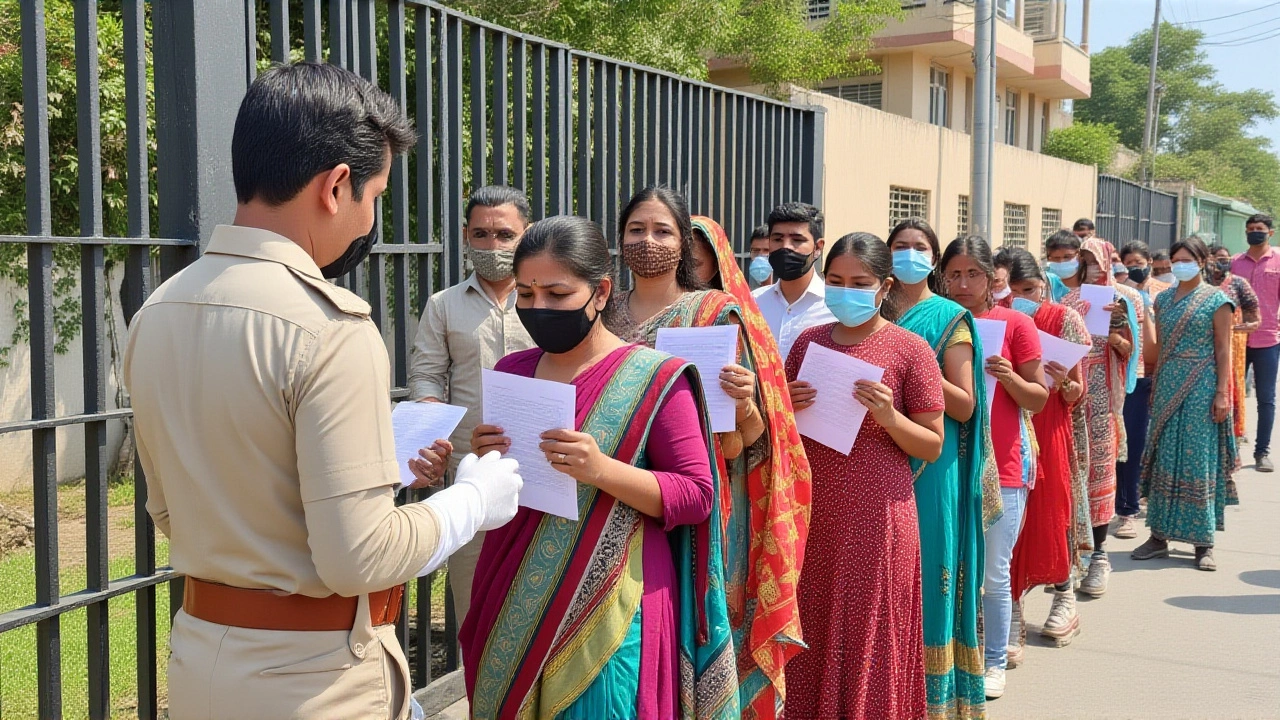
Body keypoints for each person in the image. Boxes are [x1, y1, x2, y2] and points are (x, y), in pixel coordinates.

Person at [121, 63, 523, 720]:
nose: (370, 220)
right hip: (316, 681)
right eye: (376, 197)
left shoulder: (157, 311)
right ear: (337, 186)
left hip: (201, 660)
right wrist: (472, 502)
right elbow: (359, 557)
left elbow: (172, 511)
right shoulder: (329, 327)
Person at [461, 215, 739, 718]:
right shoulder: (512, 372)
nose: (538, 308)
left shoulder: (655, 378)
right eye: (525, 294)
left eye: (556, 294)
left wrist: (600, 469)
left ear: (600, 291)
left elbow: (696, 495)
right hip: (514, 595)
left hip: (609, 605)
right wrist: (485, 456)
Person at [615, 195, 810, 716]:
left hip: (696, 504)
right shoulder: (599, 311)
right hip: (610, 495)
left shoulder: (714, 316)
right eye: (636, 229)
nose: (648, 242)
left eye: (662, 231)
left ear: (682, 242)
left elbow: (740, 442)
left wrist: (743, 403)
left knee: (683, 624)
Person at [785, 232, 945, 720]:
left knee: (868, 630)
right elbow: (783, 431)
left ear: (884, 286)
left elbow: (933, 445)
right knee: (811, 623)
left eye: (859, 282)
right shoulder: (808, 342)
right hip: (815, 512)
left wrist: (892, 418)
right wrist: (785, 408)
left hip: (877, 517)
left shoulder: (909, 350)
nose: (844, 291)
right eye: (835, 280)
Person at [408, 185, 537, 621]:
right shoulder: (443, 306)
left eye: (504, 235)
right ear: (466, 236)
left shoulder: (548, 299)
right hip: (471, 477)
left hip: (544, 474)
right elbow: (426, 373)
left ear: (527, 234)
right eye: (481, 234)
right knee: (475, 612)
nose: (492, 245)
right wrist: (429, 423)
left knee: (540, 609)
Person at [880, 219, 991, 719]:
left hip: (932, 458)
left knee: (927, 574)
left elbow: (965, 406)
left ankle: (932, 704)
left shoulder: (950, 319)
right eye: (899, 247)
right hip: (870, 457)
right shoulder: (869, 309)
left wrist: (914, 361)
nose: (908, 255)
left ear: (934, 259)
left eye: (919, 247)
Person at [940, 236, 1048, 701]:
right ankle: (944, 656)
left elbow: (1039, 397)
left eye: (974, 274)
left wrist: (1010, 378)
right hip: (942, 461)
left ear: (991, 278)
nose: (963, 284)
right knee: (945, 567)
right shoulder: (934, 319)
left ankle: (995, 659)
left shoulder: (1014, 323)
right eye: (954, 274)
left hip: (1001, 463)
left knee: (992, 574)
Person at [996, 247, 1089, 654]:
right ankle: (1010, 607)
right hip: (1006, 423)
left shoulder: (1064, 319)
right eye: (1012, 290)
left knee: (1051, 512)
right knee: (1008, 518)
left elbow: (1077, 390)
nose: (1021, 298)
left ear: (1044, 285)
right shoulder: (993, 317)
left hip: (1049, 424)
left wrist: (1063, 384)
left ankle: (1064, 592)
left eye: (1030, 288)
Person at [1132, 236, 1239, 571]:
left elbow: (1224, 349)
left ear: (1203, 261)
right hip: (1167, 383)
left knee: (1197, 459)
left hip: (1202, 384)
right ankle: (1158, 536)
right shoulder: (1162, 299)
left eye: (1186, 259)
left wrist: (1222, 392)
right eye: (1175, 259)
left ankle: (1203, 542)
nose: (1180, 265)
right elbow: (1158, 348)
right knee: (1165, 456)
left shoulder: (1217, 300)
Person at [1056, 235, 1143, 599]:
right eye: (1085, 259)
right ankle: (1072, 557)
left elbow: (1135, 352)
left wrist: (1115, 336)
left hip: (1105, 402)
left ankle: (1100, 558)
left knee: (1100, 475)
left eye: (1096, 259)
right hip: (1072, 400)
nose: (1091, 265)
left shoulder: (1125, 299)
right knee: (1072, 473)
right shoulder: (1067, 300)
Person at [1113, 241, 1169, 540]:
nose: (1135, 266)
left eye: (1139, 261)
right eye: (1128, 262)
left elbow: (1151, 346)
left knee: (1135, 446)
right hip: (1111, 379)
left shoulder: (1151, 293)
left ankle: (1130, 506)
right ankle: (1119, 502)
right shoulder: (1106, 295)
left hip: (1143, 376)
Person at [753, 202, 837, 359]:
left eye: (797, 240)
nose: (786, 247)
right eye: (778, 239)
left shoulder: (835, 307)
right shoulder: (753, 303)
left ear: (818, 247)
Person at [1230, 213, 1280, 472]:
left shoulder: (1278, 260)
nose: (1254, 232)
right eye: (1250, 229)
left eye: (1259, 228)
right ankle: (1232, 451)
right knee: (1232, 395)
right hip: (1236, 340)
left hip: (1268, 339)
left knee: (1266, 398)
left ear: (1270, 232)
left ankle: (1262, 452)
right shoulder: (1235, 263)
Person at [1206, 243, 1261, 445]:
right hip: (1202, 344)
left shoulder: (1238, 284)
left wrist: (1242, 326)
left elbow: (1254, 314)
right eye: (1216, 257)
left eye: (1224, 257)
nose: (1221, 261)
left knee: (1232, 386)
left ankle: (1234, 433)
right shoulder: (1199, 283)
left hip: (1232, 345)